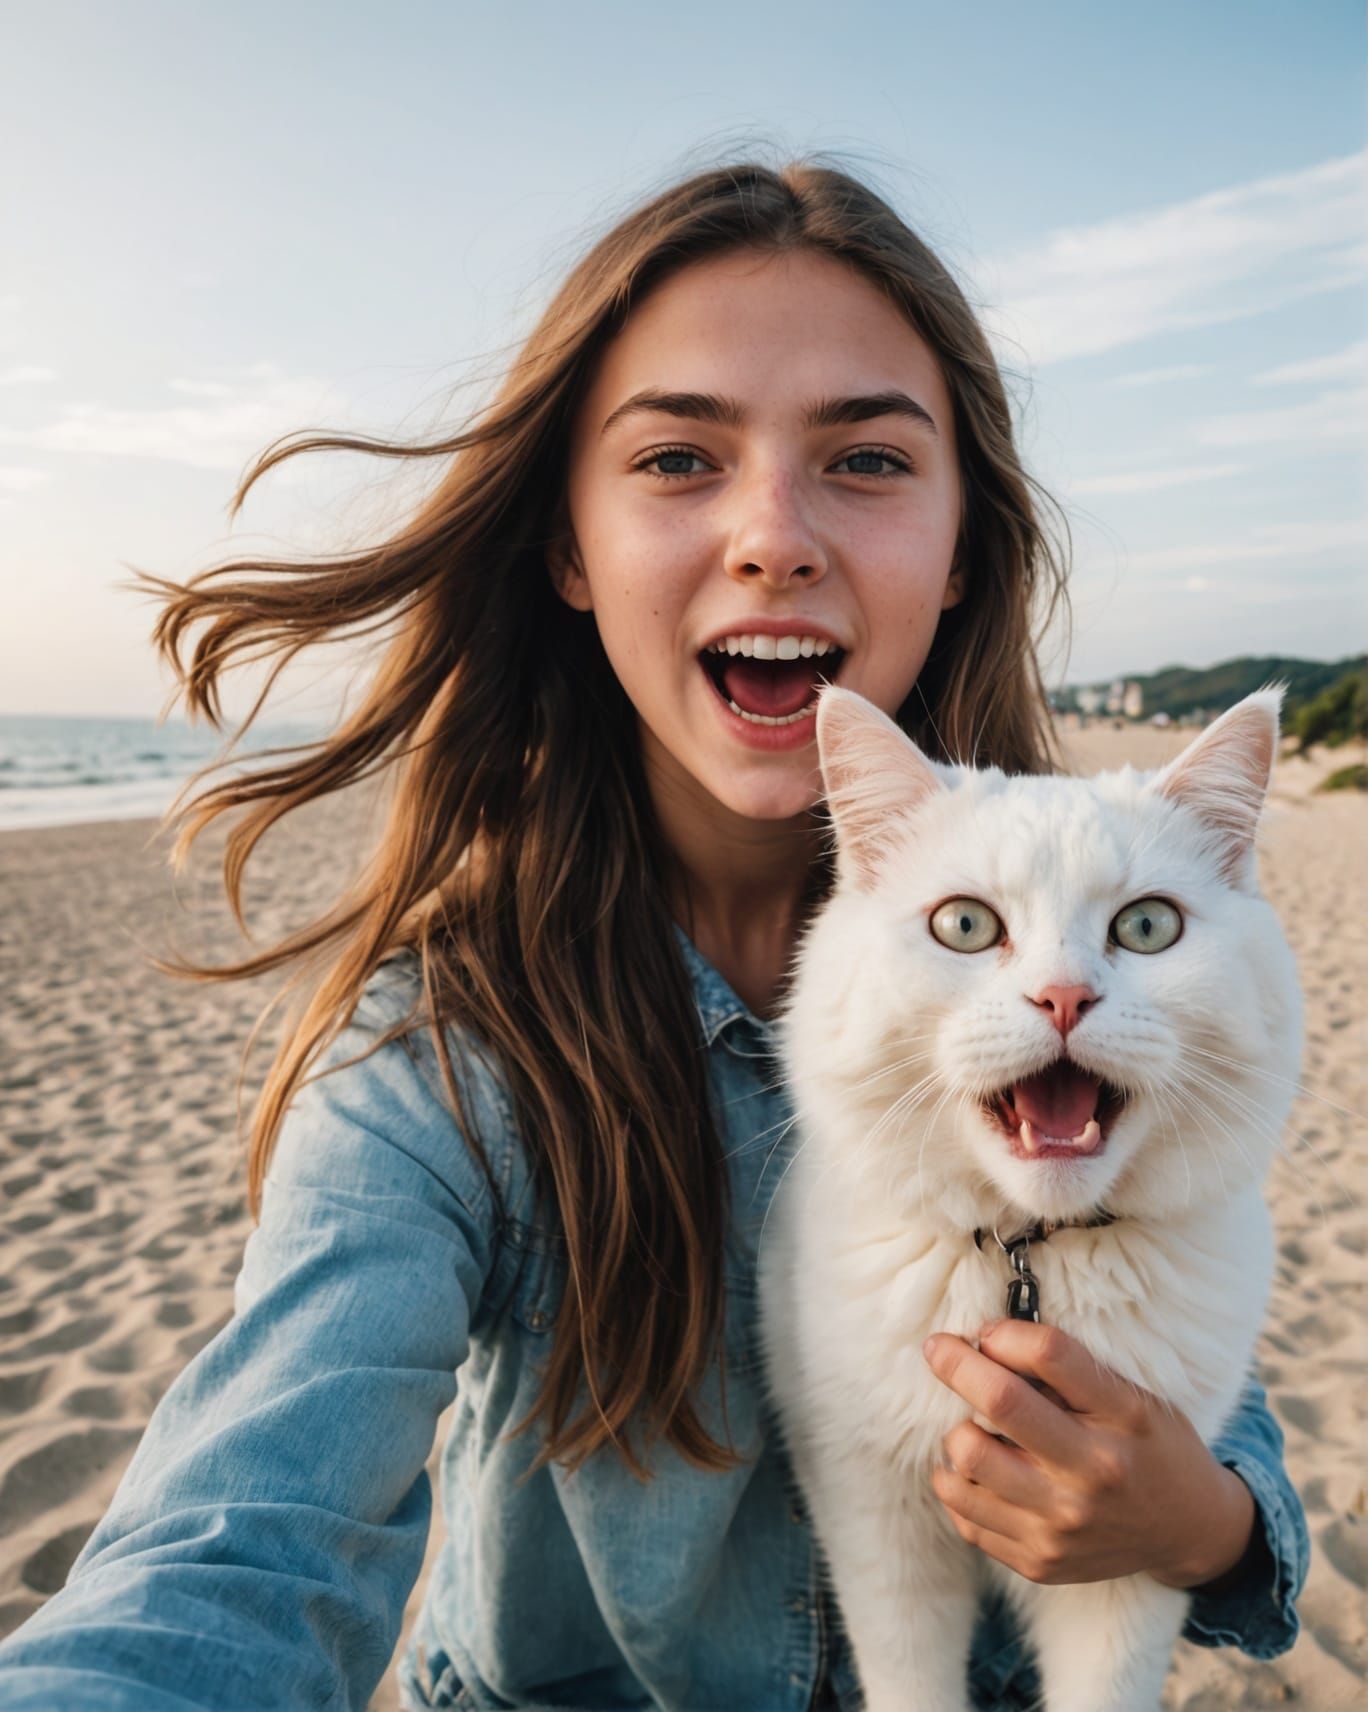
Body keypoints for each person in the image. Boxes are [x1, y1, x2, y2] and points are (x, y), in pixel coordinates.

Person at [0, 157, 1307, 1712]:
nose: (773, 537)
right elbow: (239, 1541)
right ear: (568, 545)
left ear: (964, 546)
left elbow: (1193, 1362)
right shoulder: (443, 1065)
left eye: (869, 460)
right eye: (680, 457)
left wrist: (1211, 1527)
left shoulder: (1112, 932)